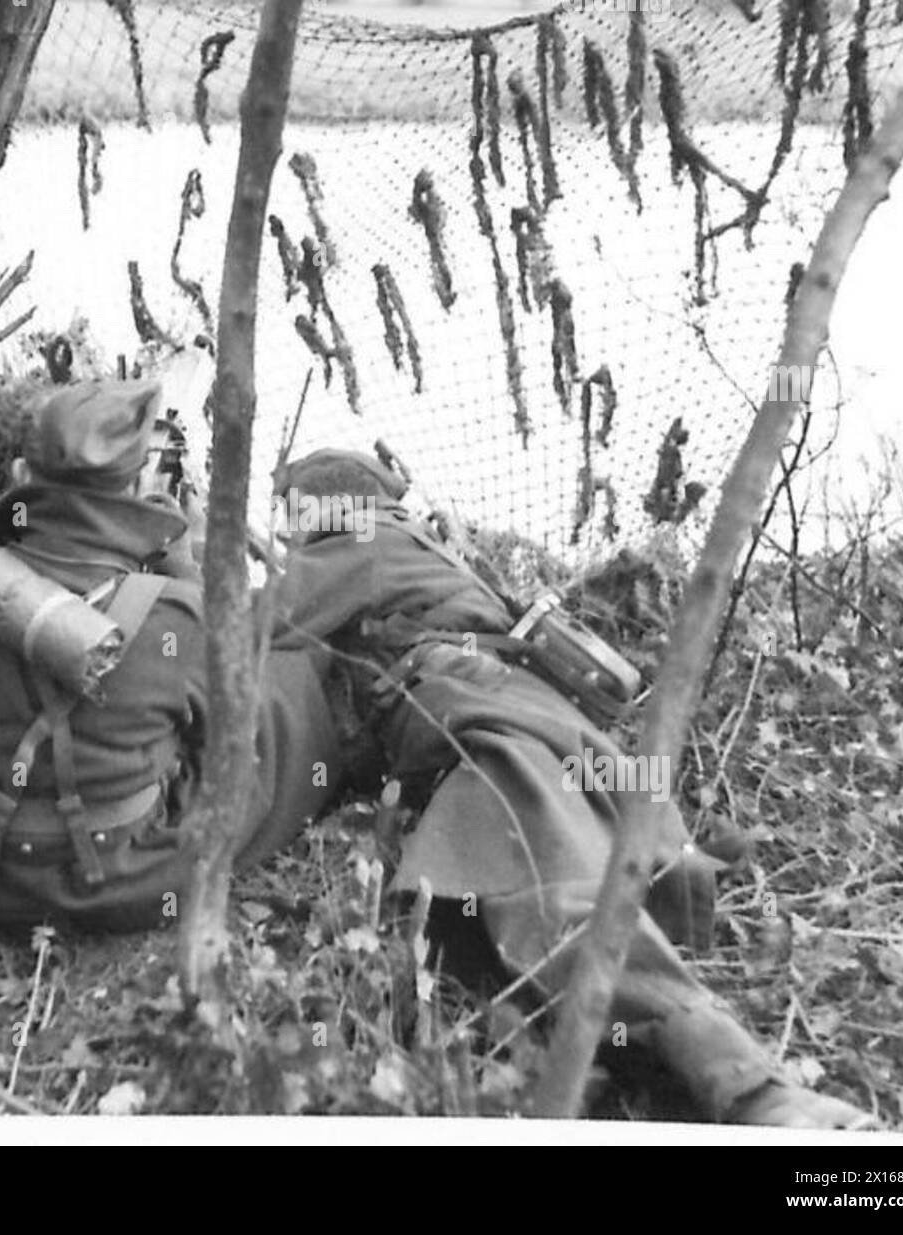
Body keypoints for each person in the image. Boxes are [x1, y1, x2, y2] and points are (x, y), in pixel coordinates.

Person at [267, 447, 871, 1129]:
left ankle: (753, 1087)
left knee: (546, 882)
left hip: (489, 728)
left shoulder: (356, 542)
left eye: (291, 510)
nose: (287, 530)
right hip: (550, 725)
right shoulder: (418, 545)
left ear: (321, 504)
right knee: (555, 862)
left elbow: (252, 622)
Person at [0, 379, 342, 929]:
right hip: (126, 882)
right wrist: (183, 575)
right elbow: (223, 729)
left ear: (22, 477)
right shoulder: (175, 616)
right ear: (132, 485)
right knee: (282, 686)